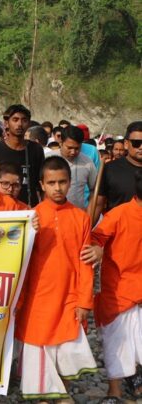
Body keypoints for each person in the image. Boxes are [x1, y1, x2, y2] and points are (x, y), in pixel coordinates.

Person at [15, 156, 96, 400]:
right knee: (38, 345)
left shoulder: (81, 218)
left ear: (70, 182)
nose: (57, 188)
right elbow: (19, 258)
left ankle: (62, 393)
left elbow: (85, 263)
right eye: (51, 183)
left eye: (62, 182)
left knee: (67, 347)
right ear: (42, 184)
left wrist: (84, 301)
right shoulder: (32, 217)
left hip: (69, 294)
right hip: (37, 297)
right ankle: (44, 395)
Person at [81, 171, 142, 401]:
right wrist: (97, 248)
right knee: (116, 341)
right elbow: (95, 238)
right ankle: (114, 391)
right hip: (120, 291)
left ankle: (136, 380)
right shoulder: (119, 214)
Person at [0, 104, 44, 207]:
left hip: (29, 209)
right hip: (1, 209)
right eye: (15, 120)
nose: (20, 124)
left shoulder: (36, 149)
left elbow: (41, 183)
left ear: (29, 124)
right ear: (6, 123)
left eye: (24, 120)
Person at [93, 121, 142, 224]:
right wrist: (87, 230)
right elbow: (97, 204)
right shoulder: (109, 169)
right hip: (117, 230)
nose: (141, 147)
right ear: (126, 144)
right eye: (136, 143)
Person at [48, 125, 97, 210]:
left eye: (77, 148)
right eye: (69, 148)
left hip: (77, 215)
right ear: (61, 143)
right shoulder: (48, 159)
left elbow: (94, 190)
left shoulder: (87, 163)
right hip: (51, 214)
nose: (73, 152)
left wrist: (89, 212)